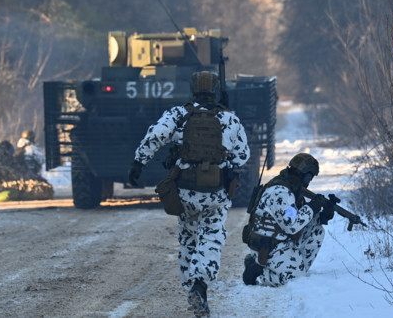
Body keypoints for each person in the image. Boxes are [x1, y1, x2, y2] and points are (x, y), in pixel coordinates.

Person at [127, 71, 250, 317]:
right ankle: (199, 285)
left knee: (188, 238)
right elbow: (241, 156)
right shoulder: (229, 118)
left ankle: (190, 286)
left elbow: (156, 135)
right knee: (211, 237)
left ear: (192, 89)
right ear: (216, 90)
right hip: (215, 193)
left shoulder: (178, 114)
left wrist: (139, 163)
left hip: (184, 191)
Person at [241, 153, 338, 287]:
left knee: (317, 231)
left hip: (280, 240)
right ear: (305, 175)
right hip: (268, 245)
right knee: (293, 280)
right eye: (310, 177)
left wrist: (322, 216)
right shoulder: (281, 192)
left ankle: (294, 268)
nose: (309, 181)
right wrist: (311, 207)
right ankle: (259, 271)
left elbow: (297, 218)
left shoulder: (292, 189)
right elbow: (291, 225)